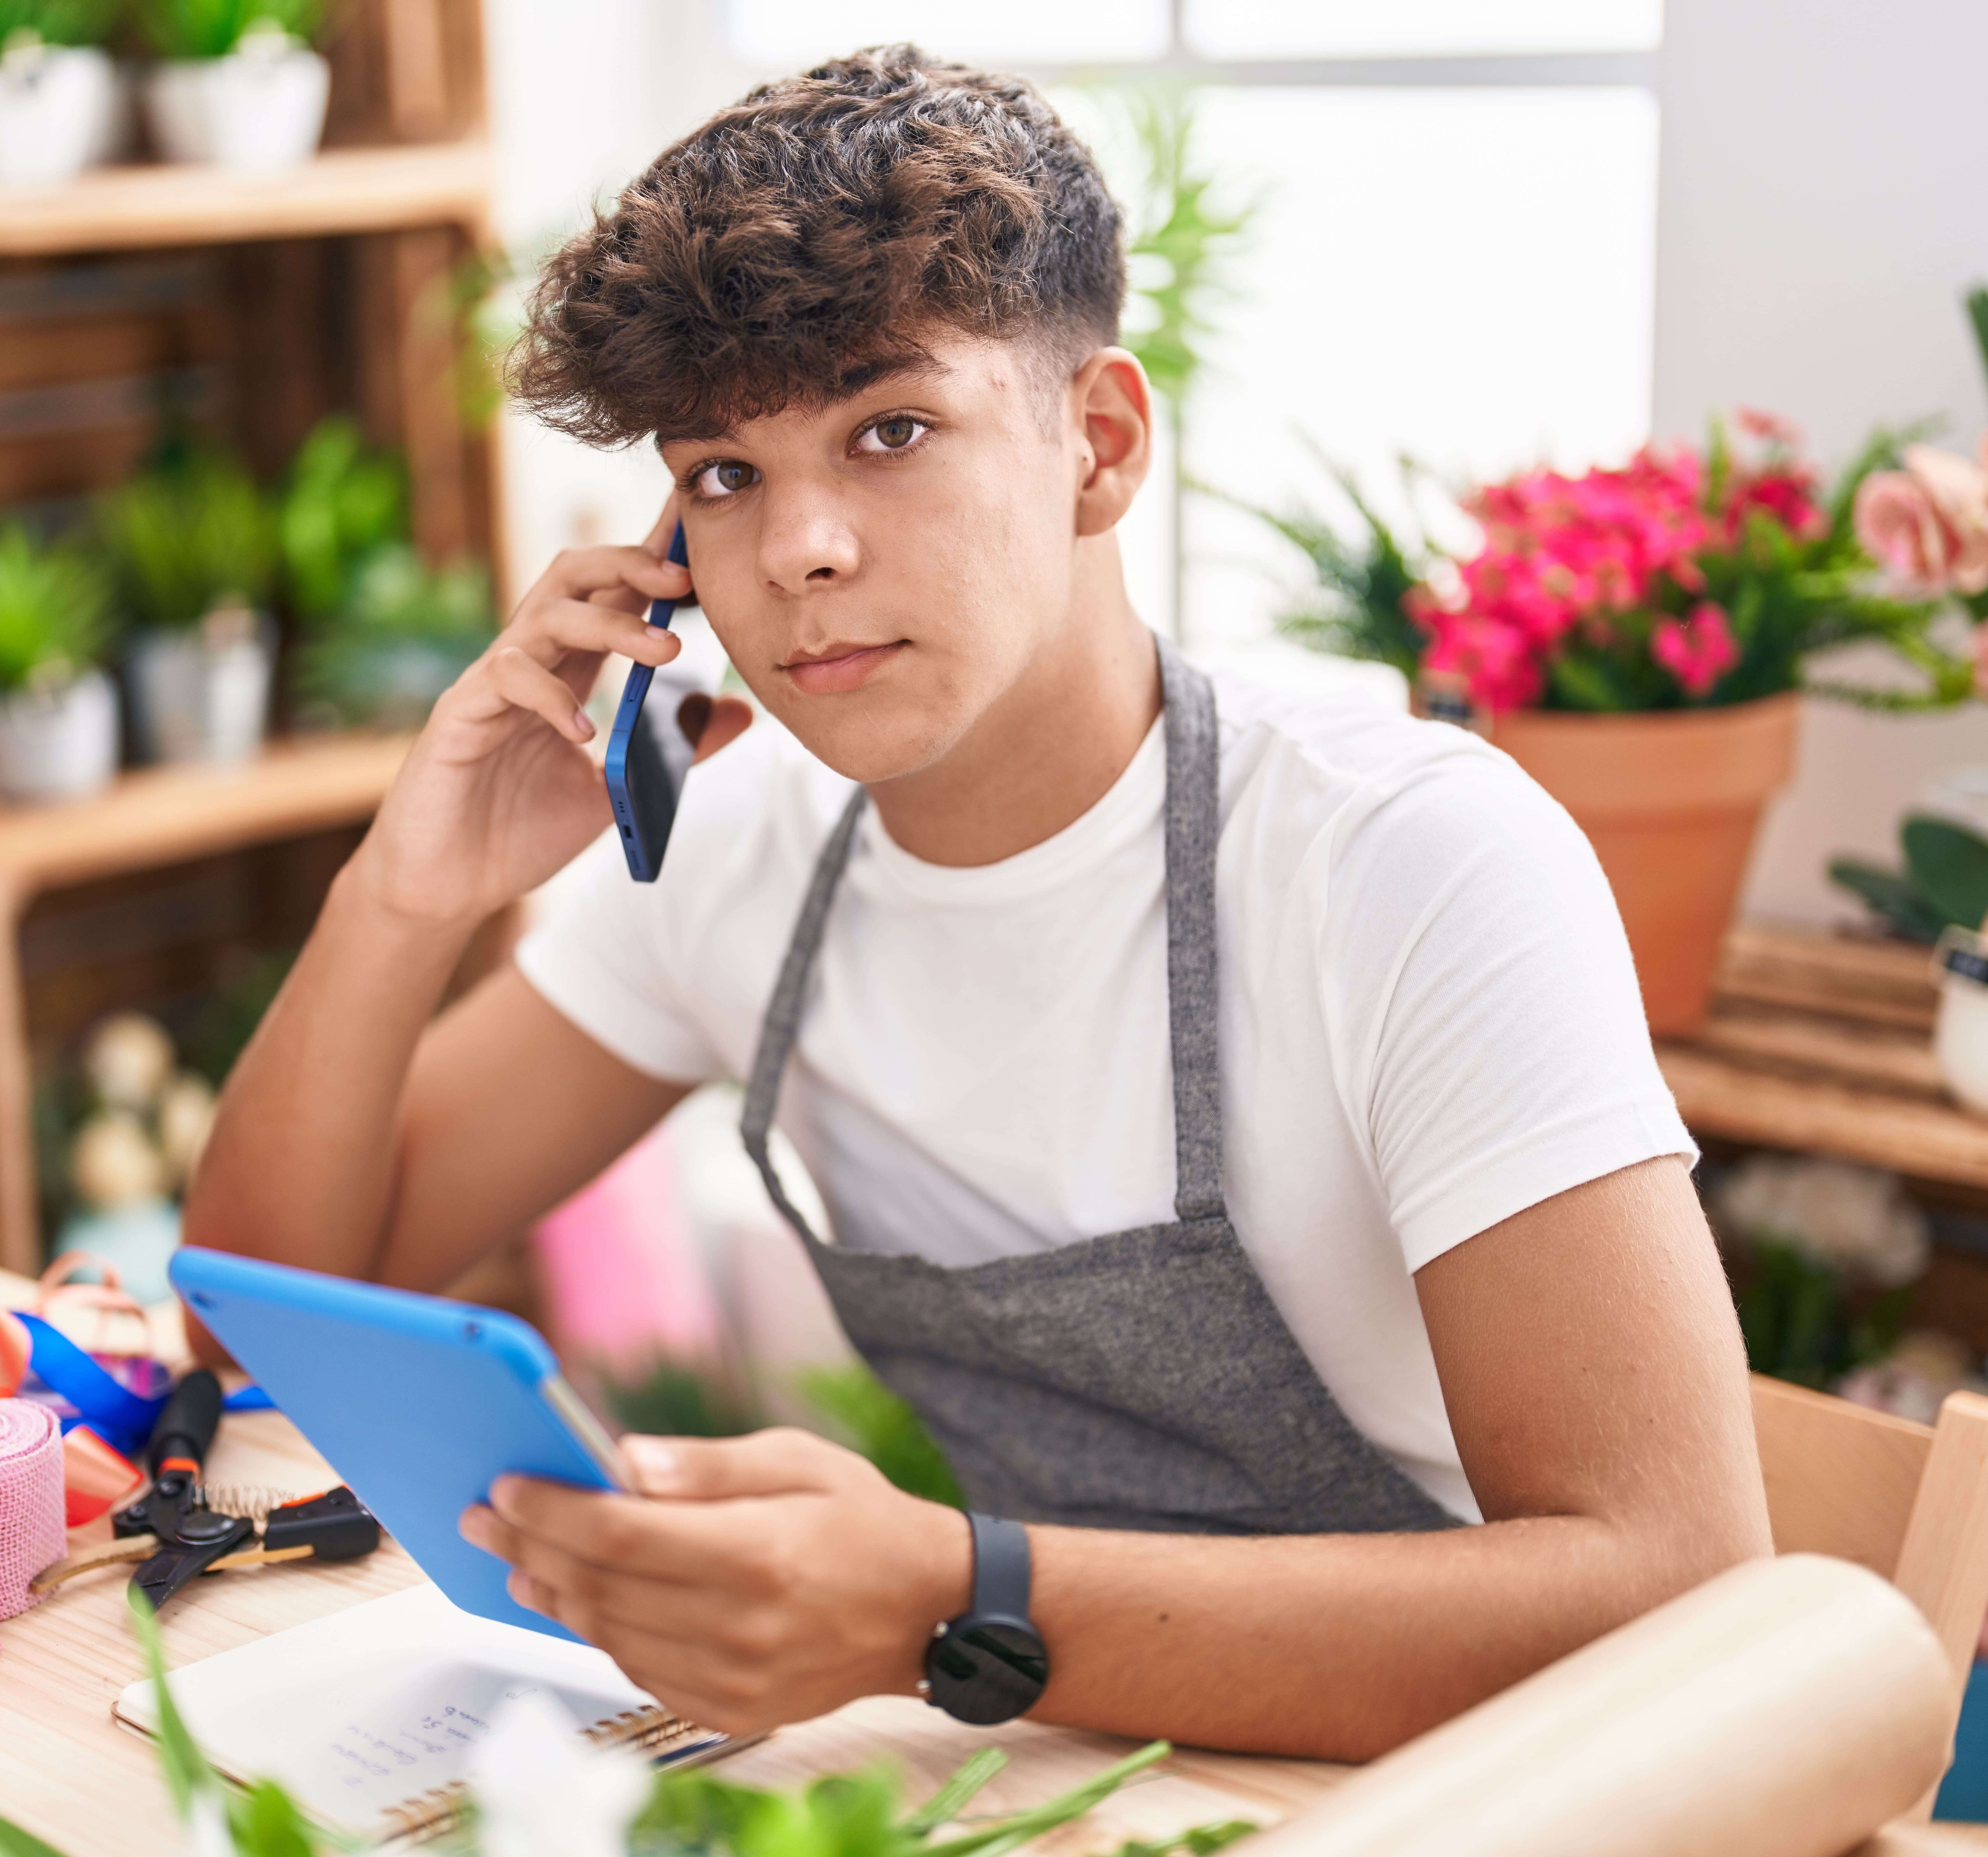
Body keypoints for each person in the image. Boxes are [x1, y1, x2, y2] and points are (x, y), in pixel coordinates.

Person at [188, 43, 1768, 1759]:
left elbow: (1678, 1596)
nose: (799, 547)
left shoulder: (1408, 862)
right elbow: (270, 1305)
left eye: (891, 431)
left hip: (1492, 1795)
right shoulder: (742, 849)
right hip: (1079, 1774)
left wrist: (956, 1602)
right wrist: (407, 890)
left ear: (1096, 446)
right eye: (724, 472)